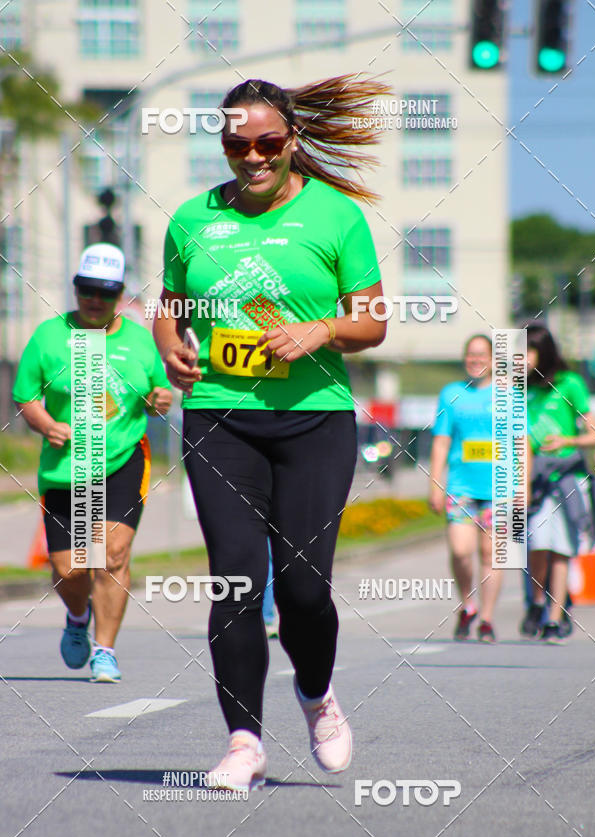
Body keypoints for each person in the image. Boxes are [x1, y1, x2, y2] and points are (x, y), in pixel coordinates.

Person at [153, 75, 387, 790]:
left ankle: (316, 695)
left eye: (266, 143)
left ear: (291, 141)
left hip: (314, 419)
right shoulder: (192, 220)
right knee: (236, 581)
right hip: (221, 419)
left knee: (304, 588)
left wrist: (322, 329)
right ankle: (243, 741)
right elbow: (168, 304)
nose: (251, 156)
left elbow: (372, 321)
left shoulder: (336, 217)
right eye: (236, 144)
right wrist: (170, 344)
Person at [13, 243, 172, 681]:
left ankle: (106, 650)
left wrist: (161, 400)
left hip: (122, 459)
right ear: (76, 289)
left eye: (105, 291)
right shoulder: (48, 336)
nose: (95, 300)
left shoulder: (139, 339)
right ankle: (78, 617)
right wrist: (45, 424)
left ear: (120, 293)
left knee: (112, 555)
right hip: (65, 467)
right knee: (70, 568)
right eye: (86, 290)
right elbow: (25, 395)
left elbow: (160, 396)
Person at [521, 324, 595, 641]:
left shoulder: (570, 384)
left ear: (544, 352)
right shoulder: (517, 389)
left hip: (568, 476)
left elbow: (594, 436)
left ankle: (555, 617)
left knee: (562, 549)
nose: (522, 359)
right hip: (533, 478)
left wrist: (566, 440)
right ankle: (537, 602)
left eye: (527, 352)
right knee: (537, 545)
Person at [429, 334, 501, 642]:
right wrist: (435, 482)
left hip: (500, 487)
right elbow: (442, 439)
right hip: (461, 486)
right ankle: (467, 604)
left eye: (481, 355)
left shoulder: (509, 395)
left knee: (491, 554)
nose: (475, 360)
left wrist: (522, 485)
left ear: (493, 360)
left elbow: (520, 442)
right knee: (461, 551)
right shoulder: (451, 394)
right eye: (470, 355)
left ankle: (486, 618)